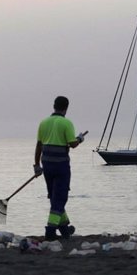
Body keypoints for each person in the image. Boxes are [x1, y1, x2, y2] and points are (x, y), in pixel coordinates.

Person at [34, 96, 85, 240]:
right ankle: (50, 230)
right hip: (61, 165)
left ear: (54, 106)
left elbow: (39, 145)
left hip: (47, 164)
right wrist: (80, 138)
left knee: (54, 197)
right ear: (66, 108)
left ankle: (64, 229)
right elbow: (72, 144)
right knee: (60, 198)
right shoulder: (66, 123)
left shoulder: (44, 123)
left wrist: (36, 165)